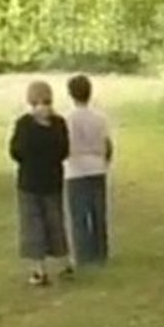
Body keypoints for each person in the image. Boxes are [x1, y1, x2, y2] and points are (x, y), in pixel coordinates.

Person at [8, 80, 74, 286]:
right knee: (55, 222)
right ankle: (64, 264)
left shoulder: (24, 124)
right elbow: (64, 151)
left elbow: (16, 151)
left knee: (33, 225)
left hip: (29, 182)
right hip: (52, 180)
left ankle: (39, 270)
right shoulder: (59, 123)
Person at [64, 74, 113, 266]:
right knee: (98, 212)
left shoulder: (67, 119)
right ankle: (101, 251)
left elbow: (65, 144)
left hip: (75, 169)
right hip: (97, 167)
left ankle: (83, 254)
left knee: (79, 214)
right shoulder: (100, 118)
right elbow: (107, 143)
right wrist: (105, 162)